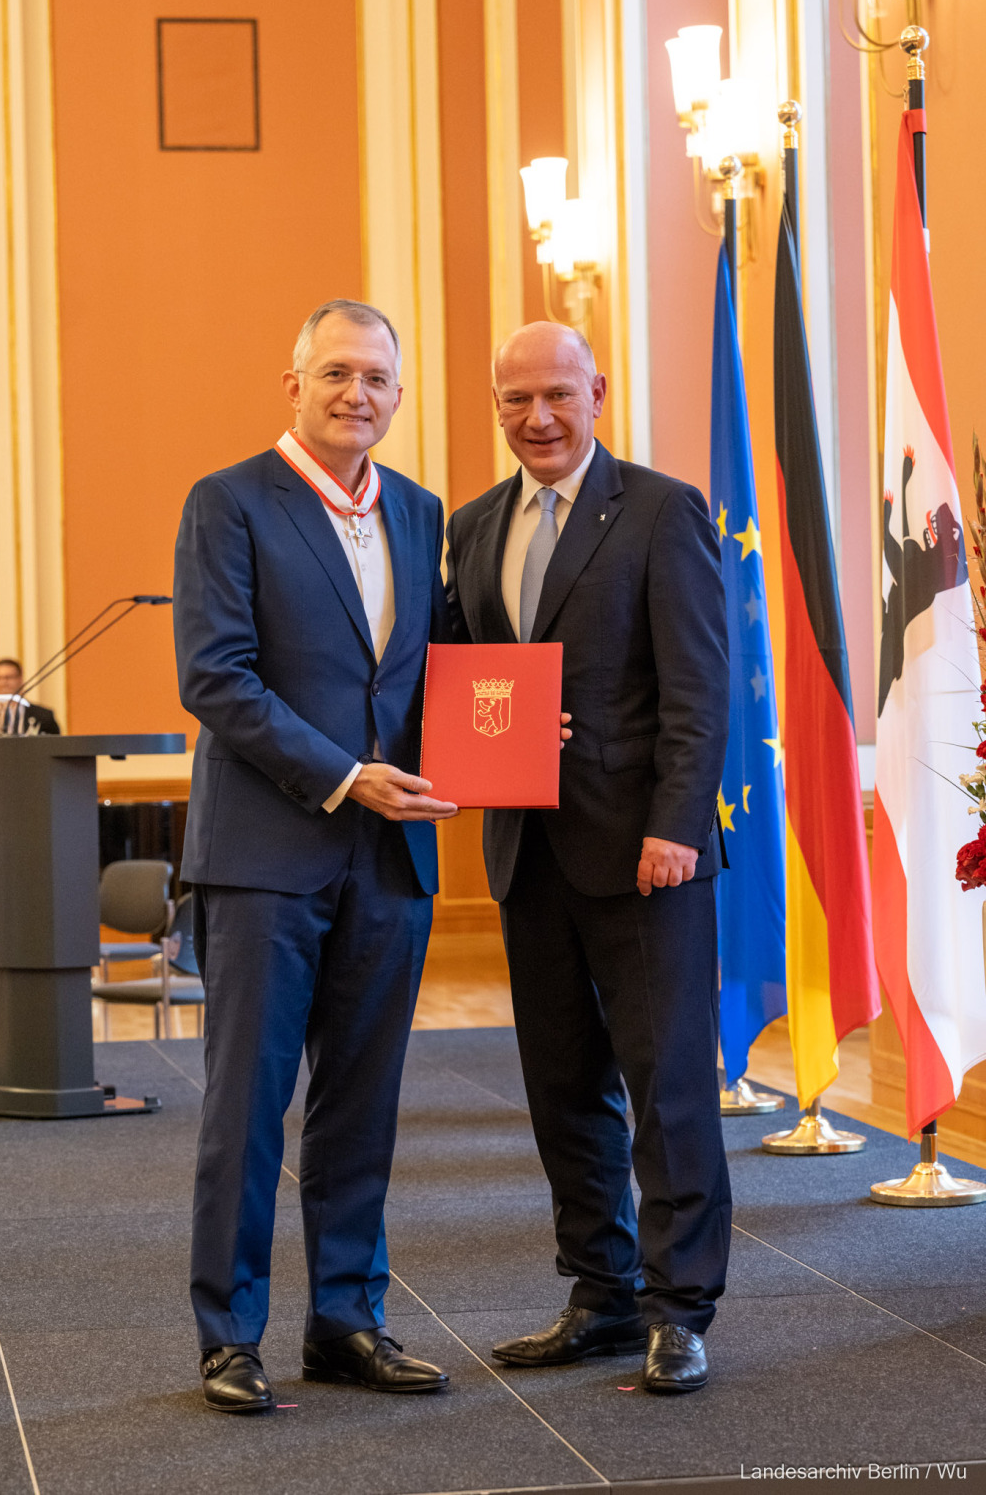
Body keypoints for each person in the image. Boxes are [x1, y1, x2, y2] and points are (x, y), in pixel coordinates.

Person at [173, 299, 458, 1414]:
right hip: (266, 852)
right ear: (291, 383)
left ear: (396, 394)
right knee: (246, 1105)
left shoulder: (424, 514)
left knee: (362, 1101)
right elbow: (216, 675)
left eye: (378, 378)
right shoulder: (231, 502)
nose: (358, 394)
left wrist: (521, 726)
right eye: (335, 372)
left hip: (391, 859)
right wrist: (344, 774)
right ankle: (227, 1335)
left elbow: (447, 669)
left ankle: (347, 1319)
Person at [445, 322, 730, 1395]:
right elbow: (458, 674)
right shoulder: (473, 528)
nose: (537, 418)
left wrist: (677, 826)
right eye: (514, 400)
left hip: (644, 851)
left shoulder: (661, 510)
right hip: (527, 850)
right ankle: (600, 1295)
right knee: (562, 1088)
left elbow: (699, 690)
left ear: (596, 391)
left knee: (665, 1092)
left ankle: (679, 1308)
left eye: (557, 395)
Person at [0, 658, 61, 734]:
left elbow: (55, 744)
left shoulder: (43, 716)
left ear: (20, 679)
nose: (3, 682)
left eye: (8, 677)